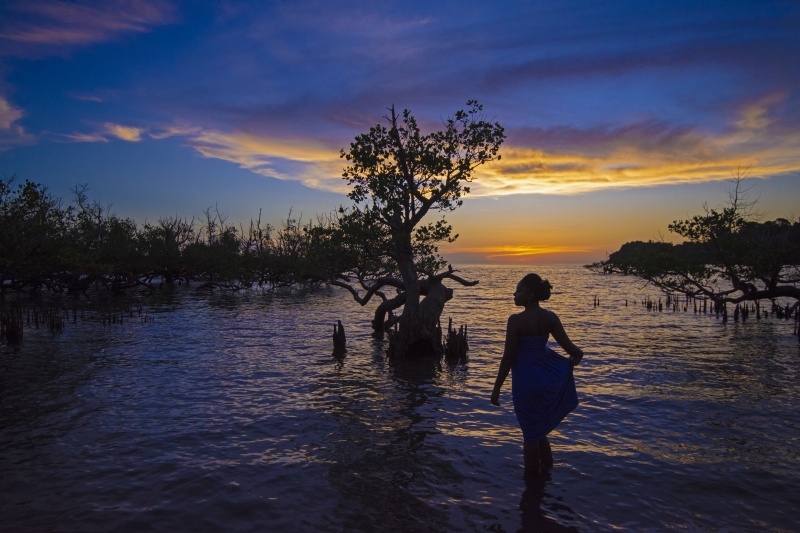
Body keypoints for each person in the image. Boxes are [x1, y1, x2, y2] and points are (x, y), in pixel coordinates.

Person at [491, 273, 584, 479]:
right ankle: (547, 475)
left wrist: (496, 390)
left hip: (525, 383)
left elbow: (508, 358)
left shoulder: (515, 321)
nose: (514, 294)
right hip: (545, 379)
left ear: (530, 295)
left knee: (530, 435)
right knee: (539, 432)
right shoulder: (550, 318)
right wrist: (568, 365)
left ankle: (532, 484)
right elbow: (574, 351)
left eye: (518, 291)